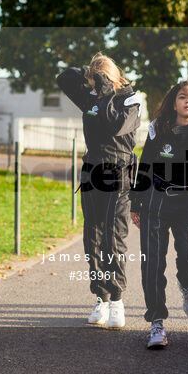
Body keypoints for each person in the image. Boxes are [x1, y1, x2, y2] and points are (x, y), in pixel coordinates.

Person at [131, 80, 188, 349]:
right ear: (174, 101)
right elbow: (145, 165)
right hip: (156, 203)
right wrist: (136, 203)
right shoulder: (158, 129)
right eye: (183, 97)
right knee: (152, 264)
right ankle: (157, 322)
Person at [57, 53, 141, 329]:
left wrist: (106, 90)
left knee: (113, 238)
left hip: (118, 175)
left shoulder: (129, 101)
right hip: (92, 173)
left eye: (97, 81)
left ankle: (117, 299)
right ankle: (101, 297)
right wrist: (89, 72)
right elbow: (64, 77)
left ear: (111, 78)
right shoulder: (90, 98)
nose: (92, 87)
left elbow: (116, 126)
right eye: (91, 83)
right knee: (92, 238)